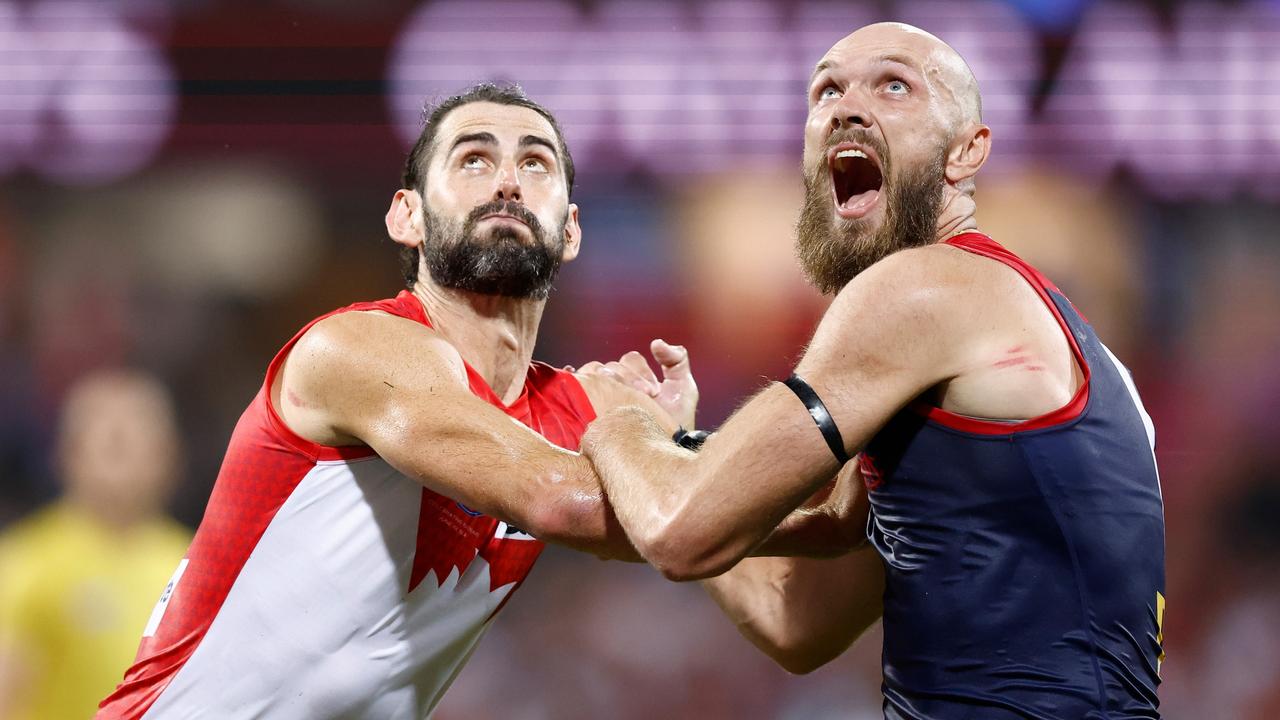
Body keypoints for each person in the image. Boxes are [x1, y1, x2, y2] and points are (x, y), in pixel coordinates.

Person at [96, 83, 839, 720]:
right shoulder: (355, 351)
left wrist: (880, 485)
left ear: (571, 230)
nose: (507, 182)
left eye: (535, 164)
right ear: (406, 217)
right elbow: (568, 501)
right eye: (474, 160)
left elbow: (792, 622)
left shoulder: (586, 417)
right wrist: (654, 439)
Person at [582, 22, 1166, 719]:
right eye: (826, 88)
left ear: (965, 152)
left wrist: (618, 423)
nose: (846, 106)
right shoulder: (1050, 356)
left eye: (894, 85)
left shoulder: (923, 289)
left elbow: (678, 528)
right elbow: (797, 621)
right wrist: (676, 450)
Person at [0, 370, 191, 720]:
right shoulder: (22, 563)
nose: (121, 456)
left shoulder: (195, 566)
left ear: (169, 456)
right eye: (110, 442)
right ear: (66, 454)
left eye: (136, 439)